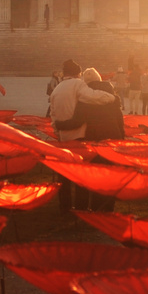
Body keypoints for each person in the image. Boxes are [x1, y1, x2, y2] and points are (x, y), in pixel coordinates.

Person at [49, 59, 119, 212]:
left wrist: (59, 132)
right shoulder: (77, 84)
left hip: (63, 137)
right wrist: (112, 98)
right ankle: (81, 207)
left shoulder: (57, 89)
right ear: (77, 73)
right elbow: (92, 96)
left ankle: (65, 207)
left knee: (65, 175)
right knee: (81, 175)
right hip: (79, 136)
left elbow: (53, 116)